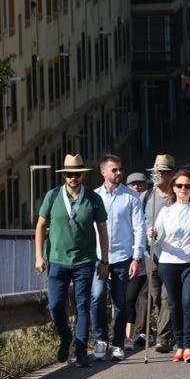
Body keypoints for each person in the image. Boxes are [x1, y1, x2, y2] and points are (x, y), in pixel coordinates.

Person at [35, 155, 110, 368]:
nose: (73, 178)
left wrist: (104, 260)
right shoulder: (52, 196)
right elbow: (40, 226)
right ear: (64, 176)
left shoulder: (93, 199)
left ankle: (81, 349)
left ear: (83, 175)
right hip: (57, 261)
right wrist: (39, 256)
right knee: (56, 305)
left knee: (82, 305)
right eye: (69, 174)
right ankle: (66, 337)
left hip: (84, 261)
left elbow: (103, 230)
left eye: (77, 174)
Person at [91, 155, 146, 362]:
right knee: (96, 297)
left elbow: (139, 227)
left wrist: (137, 256)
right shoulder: (95, 196)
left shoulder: (131, 197)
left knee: (121, 302)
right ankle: (100, 339)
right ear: (103, 172)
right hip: (98, 256)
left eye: (120, 169)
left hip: (123, 256)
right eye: (114, 170)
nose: (119, 173)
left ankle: (117, 343)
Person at [150, 169, 190, 362]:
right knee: (174, 304)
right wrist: (152, 233)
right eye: (179, 186)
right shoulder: (166, 211)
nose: (183, 189)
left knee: (187, 301)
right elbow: (156, 234)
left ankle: (189, 345)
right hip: (169, 262)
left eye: (187, 186)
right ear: (173, 188)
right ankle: (180, 344)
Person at [143, 154, 178, 353]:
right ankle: (169, 329)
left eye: (163, 172)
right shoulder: (146, 197)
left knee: (166, 297)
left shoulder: (176, 197)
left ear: (171, 174)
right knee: (156, 298)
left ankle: (163, 338)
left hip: (172, 256)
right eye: (156, 172)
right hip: (151, 255)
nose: (159, 176)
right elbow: (139, 223)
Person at [123, 171, 151, 353]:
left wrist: (138, 255)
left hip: (143, 257)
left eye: (140, 184)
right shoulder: (124, 202)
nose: (137, 187)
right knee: (124, 300)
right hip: (119, 258)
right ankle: (122, 334)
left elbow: (141, 228)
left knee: (132, 298)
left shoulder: (148, 201)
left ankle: (131, 335)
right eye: (133, 184)